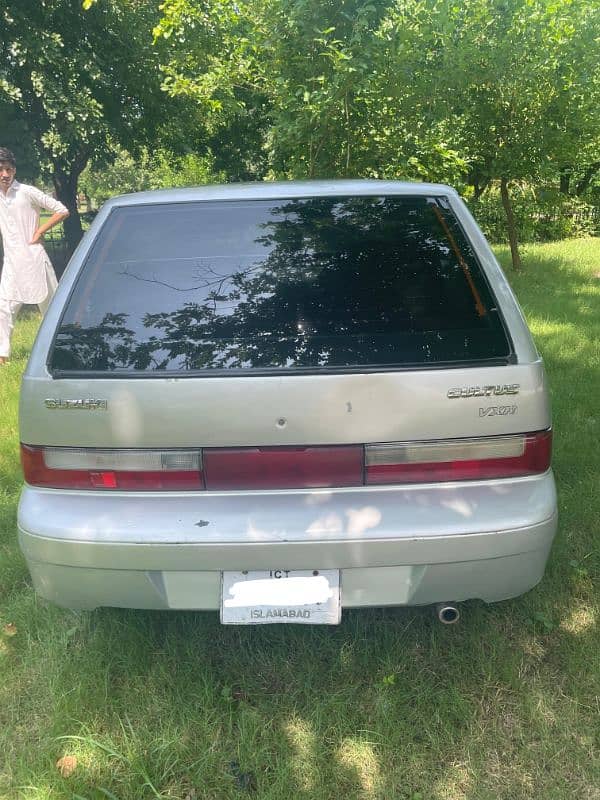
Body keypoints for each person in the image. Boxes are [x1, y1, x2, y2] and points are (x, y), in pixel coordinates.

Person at [0, 147, 69, 364]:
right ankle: (2, 354)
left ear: (14, 170)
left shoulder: (26, 192)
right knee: (4, 308)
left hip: (34, 259)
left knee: (50, 307)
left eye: (8, 169)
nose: (5, 174)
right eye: (1, 170)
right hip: (11, 261)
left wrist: (39, 231)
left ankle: (62, 348)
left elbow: (62, 210)